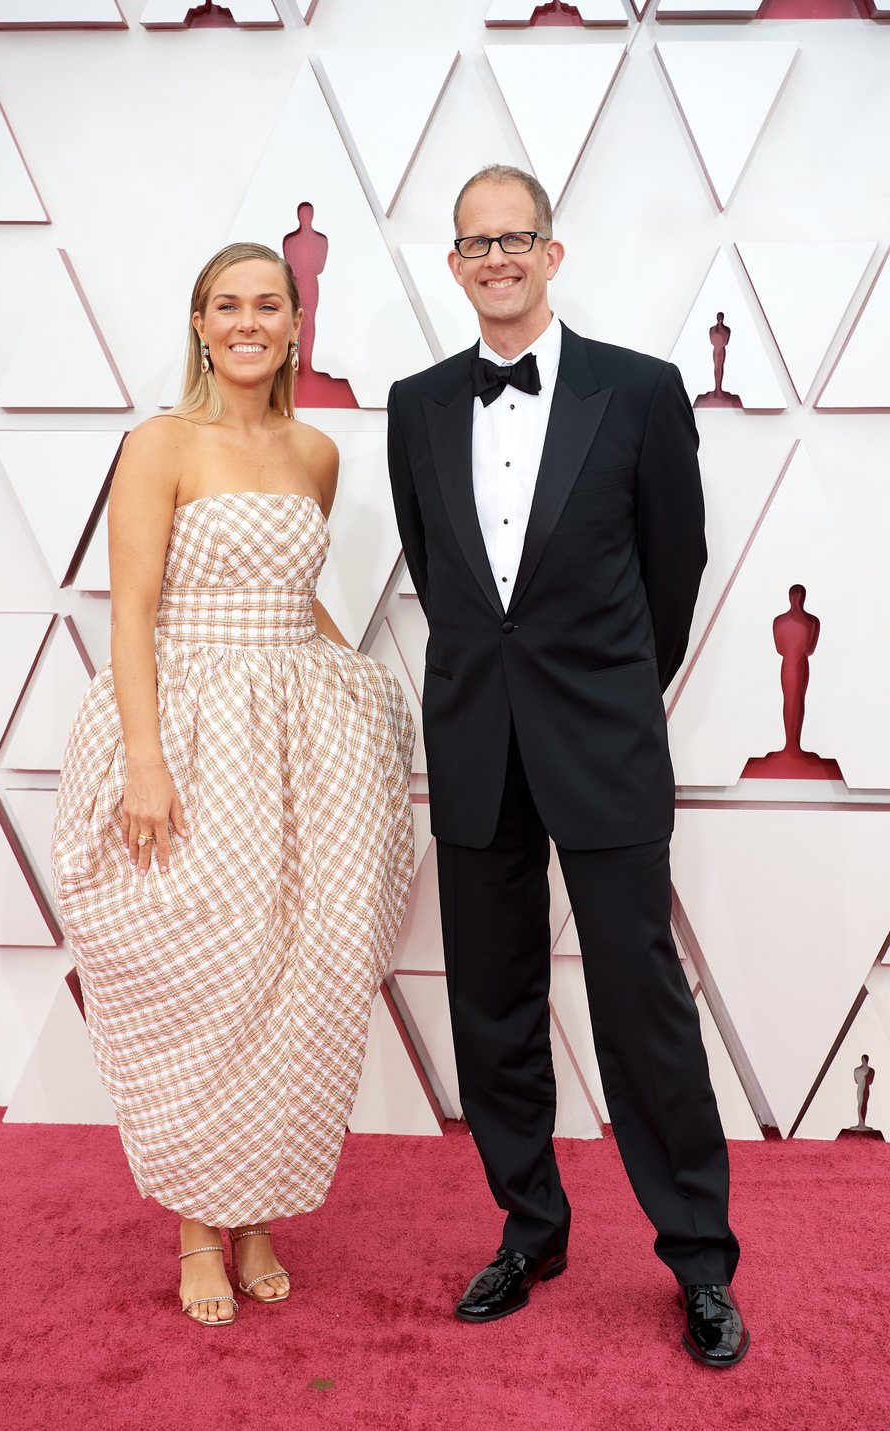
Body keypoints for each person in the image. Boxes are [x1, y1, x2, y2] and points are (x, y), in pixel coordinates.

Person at [387, 165, 748, 1367]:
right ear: (454, 264)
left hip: (601, 737)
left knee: (640, 1004)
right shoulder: (415, 403)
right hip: (475, 739)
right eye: (474, 242)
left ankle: (699, 1258)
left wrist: (602, 693)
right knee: (491, 1007)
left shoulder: (640, 392)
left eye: (516, 237)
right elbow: (442, 579)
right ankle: (529, 1226)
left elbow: (673, 577)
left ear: (553, 252)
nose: (496, 257)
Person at [52, 241, 414, 1327]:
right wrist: (147, 762)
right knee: (207, 974)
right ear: (200, 323)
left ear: (298, 322)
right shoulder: (161, 442)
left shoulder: (315, 452)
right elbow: (129, 613)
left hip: (299, 740)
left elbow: (296, 601)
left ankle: (257, 1211)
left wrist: (362, 694)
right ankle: (198, 1227)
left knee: (301, 969)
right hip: (193, 726)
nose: (248, 321)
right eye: (227, 305)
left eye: (269, 304)